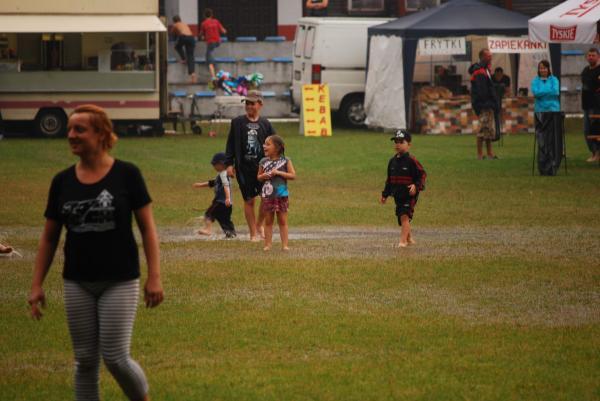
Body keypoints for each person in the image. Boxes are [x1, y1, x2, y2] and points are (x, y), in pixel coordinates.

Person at [28, 104, 163, 401]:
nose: (71, 135)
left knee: (115, 357)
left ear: (101, 134)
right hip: (77, 281)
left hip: (120, 279)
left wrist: (154, 277)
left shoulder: (127, 174)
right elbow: (49, 238)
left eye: (80, 129)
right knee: (85, 360)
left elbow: (148, 229)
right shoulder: (62, 181)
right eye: (69, 130)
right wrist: (37, 284)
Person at [225, 90, 275, 241]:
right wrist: (229, 164)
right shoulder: (237, 123)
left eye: (252, 103)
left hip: (263, 168)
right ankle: (253, 233)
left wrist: (276, 162)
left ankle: (259, 225)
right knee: (249, 200)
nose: (249, 106)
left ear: (260, 104)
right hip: (244, 168)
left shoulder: (266, 124)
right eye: (247, 103)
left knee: (266, 198)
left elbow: (275, 145)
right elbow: (230, 145)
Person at [380, 129, 426, 248]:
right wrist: (385, 194)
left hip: (409, 195)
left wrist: (416, 186)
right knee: (401, 216)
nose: (398, 144)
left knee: (404, 216)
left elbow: (422, 174)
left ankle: (403, 241)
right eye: (396, 142)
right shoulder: (392, 162)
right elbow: (389, 180)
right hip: (398, 194)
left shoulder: (412, 161)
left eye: (401, 142)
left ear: (409, 144)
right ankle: (409, 238)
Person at [257, 135, 296, 251]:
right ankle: (268, 245)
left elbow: (293, 175)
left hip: (281, 195)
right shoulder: (263, 161)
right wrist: (263, 176)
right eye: (264, 144)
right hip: (267, 196)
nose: (264, 146)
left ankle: (285, 245)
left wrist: (279, 173)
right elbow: (258, 177)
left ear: (277, 147)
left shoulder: (286, 160)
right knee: (268, 221)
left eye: (268, 144)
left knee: (282, 221)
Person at [192, 152, 236, 238]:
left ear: (221, 164)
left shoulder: (223, 174)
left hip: (220, 201)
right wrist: (200, 185)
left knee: (208, 214)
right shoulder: (223, 174)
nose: (214, 167)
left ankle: (208, 229)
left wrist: (227, 198)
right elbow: (212, 183)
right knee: (224, 219)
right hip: (228, 204)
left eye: (215, 164)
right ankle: (231, 233)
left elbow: (226, 185)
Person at [469, 48, 500, 160]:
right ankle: (480, 155)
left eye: (491, 56)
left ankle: (490, 154)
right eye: (488, 56)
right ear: (482, 57)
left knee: (488, 130)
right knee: (482, 129)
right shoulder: (480, 71)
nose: (490, 58)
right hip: (484, 104)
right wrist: (489, 102)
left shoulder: (485, 69)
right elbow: (482, 91)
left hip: (487, 104)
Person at [581, 47, 600, 162]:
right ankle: (594, 152)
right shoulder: (585, 70)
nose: (591, 57)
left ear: (598, 57)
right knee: (586, 131)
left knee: (595, 131)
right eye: (589, 55)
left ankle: (597, 154)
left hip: (597, 106)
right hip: (586, 105)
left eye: (593, 55)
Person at [199, 8, 227, 82]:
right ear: (212, 15)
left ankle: (213, 76)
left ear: (204, 16)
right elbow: (224, 31)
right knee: (210, 55)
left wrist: (203, 37)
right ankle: (214, 67)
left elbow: (201, 35)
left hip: (210, 42)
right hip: (218, 42)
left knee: (208, 59)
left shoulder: (203, 23)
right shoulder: (216, 21)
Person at [172, 15, 197, 83]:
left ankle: (184, 59)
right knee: (190, 56)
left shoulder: (175, 25)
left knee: (177, 46)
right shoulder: (184, 24)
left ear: (174, 21)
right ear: (180, 19)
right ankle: (192, 74)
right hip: (191, 38)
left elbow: (173, 33)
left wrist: (175, 38)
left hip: (183, 37)